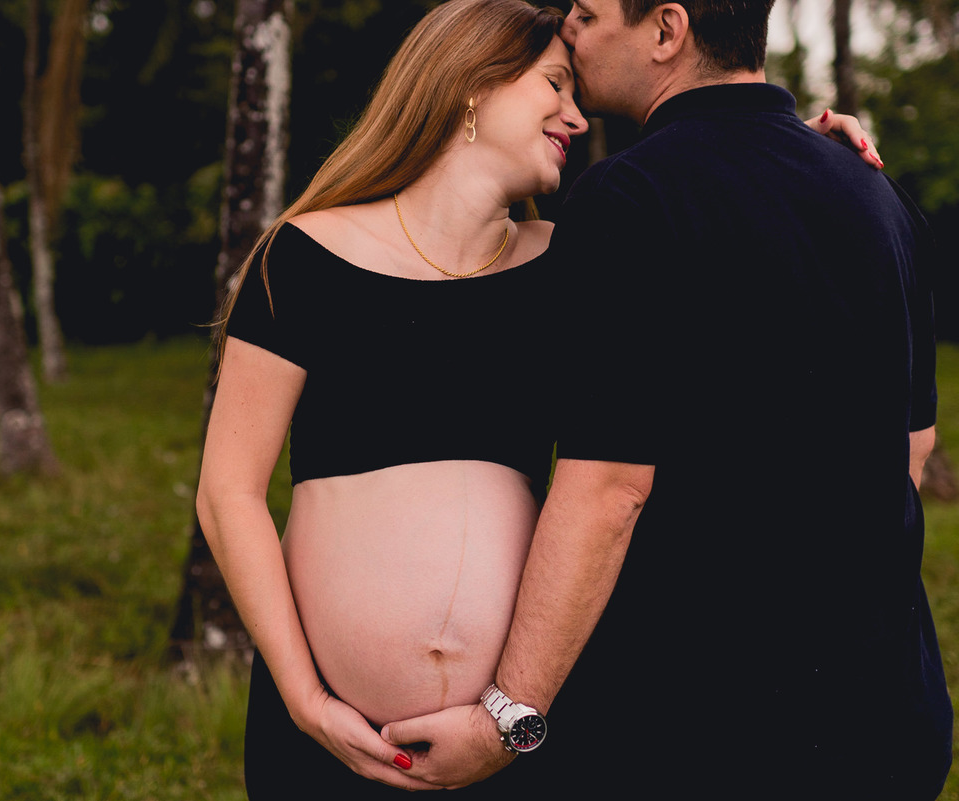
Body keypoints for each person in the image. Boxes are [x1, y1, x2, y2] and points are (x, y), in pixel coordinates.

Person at [196, 0, 883, 797]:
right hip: (329, 738)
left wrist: (799, 155)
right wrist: (304, 698)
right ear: (470, 83)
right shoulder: (303, 255)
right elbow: (228, 492)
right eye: (555, 85)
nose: (577, 118)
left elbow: (739, 268)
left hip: (519, 735)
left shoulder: (575, 259)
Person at [382, 0, 953, 799]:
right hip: (888, 721)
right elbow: (911, 449)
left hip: (709, 732)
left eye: (588, 14)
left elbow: (608, 489)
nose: (571, 28)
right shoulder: (874, 191)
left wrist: (507, 718)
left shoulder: (631, 195)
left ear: (666, 30)